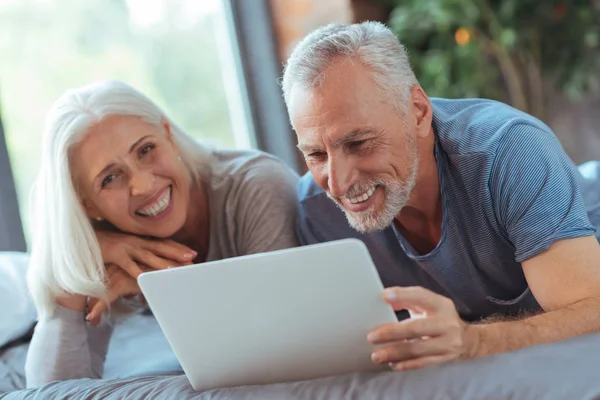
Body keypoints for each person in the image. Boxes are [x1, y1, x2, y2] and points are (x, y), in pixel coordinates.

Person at [282, 21, 600, 372]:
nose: (338, 184)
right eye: (316, 155)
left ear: (417, 111)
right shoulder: (314, 212)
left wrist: (475, 341)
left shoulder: (509, 151)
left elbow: (593, 309)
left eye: (358, 143)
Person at [25, 80, 300, 387]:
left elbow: (277, 350)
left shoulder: (258, 187)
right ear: (88, 205)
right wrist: (82, 253)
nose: (142, 185)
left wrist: (173, 287)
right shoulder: (112, 249)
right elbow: (50, 389)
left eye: (146, 150)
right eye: (110, 178)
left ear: (168, 137)